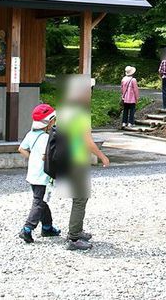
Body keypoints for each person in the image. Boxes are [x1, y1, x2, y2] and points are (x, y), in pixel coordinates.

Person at [61, 75, 110, 251]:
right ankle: (74, 237)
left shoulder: (65, 110)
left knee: (79, 196)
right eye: (89, 91)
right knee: (80, 197)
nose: (90, 94)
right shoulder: (81, 112)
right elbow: (87, 141)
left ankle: (77, 230)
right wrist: (102, 156)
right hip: (77, 158)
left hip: (66, 157)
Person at [17, 103, 62, 243]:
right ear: (48, 122)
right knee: (38, 202)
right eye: (54, 120)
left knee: (42, 201)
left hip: (32, 174)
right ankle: (27, 229)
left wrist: (32, 158)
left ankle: (47, 227)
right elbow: (46, 156)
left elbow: (21, 149)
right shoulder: (46, 138)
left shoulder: (31, 134)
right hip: (42, 176)